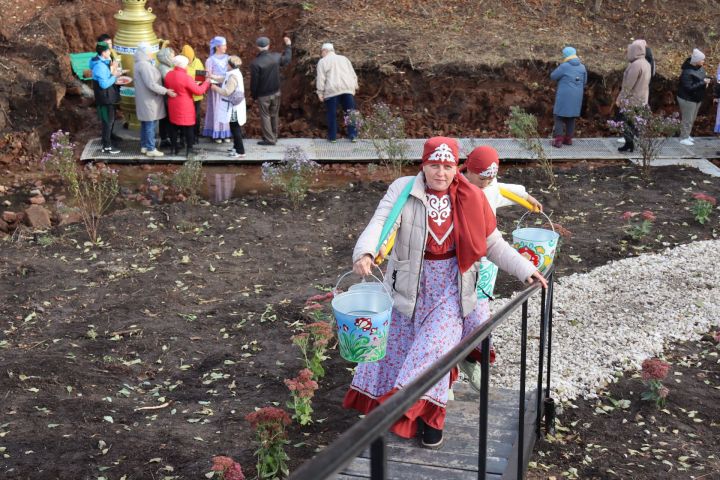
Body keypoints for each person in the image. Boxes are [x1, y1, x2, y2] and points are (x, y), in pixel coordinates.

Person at [344, 137, 546, 448]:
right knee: (398, 353)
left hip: (451, 289)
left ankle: (426, 418)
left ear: (457, 167)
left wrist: (525, 270)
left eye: (447, 166)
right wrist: (366, 252)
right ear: (423, 165)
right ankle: (402, 413)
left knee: (434, 352)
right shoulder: (403, 190)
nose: (440, 172)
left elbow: (492, 244)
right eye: (434, 165)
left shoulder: (471, 196)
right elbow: (380, 221)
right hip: (408, 287)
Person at [457, 145, 543, 390]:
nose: (486, 184)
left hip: (487, 261)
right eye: (481, 178)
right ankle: (450, 368)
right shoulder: (456, 188)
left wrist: (526, 197)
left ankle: (474, 357)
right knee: (455, 314)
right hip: (461, 263)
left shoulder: (491, 187)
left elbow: (504, 189)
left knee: (480, 311)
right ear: (469, 171)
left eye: (490, 178)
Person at [133, 43, 176, 157]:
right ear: (145, 53)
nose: (152, 53)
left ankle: (144, 146)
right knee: (150, 124)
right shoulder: (144, 65)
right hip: (149, 99)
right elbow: (151, 84)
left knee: (146, 123)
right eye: (150, 51)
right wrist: (166, 91)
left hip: (145, 98)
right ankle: (151, 148)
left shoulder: (139, 63)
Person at [164, 55, 211, 156]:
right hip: (185, 106)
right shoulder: (186, 77)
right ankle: (189, 151)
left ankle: (173, 148)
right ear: (184, 65)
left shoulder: (169, 74)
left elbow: (170, 86)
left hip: (173, 104)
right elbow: (199, 91)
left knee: (173, 126)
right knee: (189, 127)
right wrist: (207, 83)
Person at [250, 35, 292, 146]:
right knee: (274, 114)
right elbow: (287, 60)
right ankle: (274, 136)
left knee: (265, 116)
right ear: (268, 46)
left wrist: (254, 95)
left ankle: (269, 139)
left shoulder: (255, 63)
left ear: (257, 47)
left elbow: (254, 82)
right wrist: (288, 46)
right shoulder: (276, 57)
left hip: (263, 95)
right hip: (276, 92)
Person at [316, 43, 359, 143]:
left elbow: (321, 79)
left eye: (321, 52)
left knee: (332, 114)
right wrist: (355, 86)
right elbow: (352, 74)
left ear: (325, 51)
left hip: (332, 90)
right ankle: (353, 135)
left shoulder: (322, 61)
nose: (321, 54)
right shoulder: (344, 59)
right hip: (347, 89)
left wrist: (320, 93)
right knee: (350, 113)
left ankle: (332, 137)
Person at [615, 41, 652, 153]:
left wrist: (620, 98)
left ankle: (629, 143)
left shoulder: (636, 65)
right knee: (634, 123)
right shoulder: (646, 63)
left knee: (626, 122)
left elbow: (628, 85)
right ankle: (630, 144)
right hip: (642, 98)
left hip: (632, 99)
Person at [211, 55, 247, 159]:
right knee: (234, 127)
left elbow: (226, 92)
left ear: (231, 65)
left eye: (227, 64)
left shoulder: (233, 77)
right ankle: (236, 147)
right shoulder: (234, 73)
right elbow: (224, 78)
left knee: (235, 129)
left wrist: (215, 88)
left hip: (233, 108)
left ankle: (240, 151)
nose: (226, 65)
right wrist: (212, 76)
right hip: (234, 106)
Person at [550, 46, 586, 148]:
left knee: (558, 116)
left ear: (566, 55)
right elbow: (585, 81)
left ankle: (558, 141)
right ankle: (568, 139)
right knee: (571, 118)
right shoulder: (582, 67)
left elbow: (553, 76)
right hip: (577, 96)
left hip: (564, 96)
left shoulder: (564, 66)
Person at [90, 41, 121, 154]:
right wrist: (114, 76)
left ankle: (108, 141)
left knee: (108, 121)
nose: (110, 52)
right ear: (103, 52)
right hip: (105, 98)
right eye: (108, 50)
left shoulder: (99, 62)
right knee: (107, 121)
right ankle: (107, 146)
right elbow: (103, 84)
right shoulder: (100, 67)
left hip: (106, 97)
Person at [677, 48, 710, 146]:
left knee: (692, 118)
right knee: (687, 118)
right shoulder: (687, 72)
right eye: (702, 60)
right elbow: (688, 88)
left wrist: (705, 83)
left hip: (697, 98)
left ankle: (687, 135)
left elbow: (701, 78)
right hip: (687, 99)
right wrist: (702, 83)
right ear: (696, 61)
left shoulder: (700, 68)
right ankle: (683, 137)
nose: (703, 61)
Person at [203, 36, 233, 143]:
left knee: (226, 110)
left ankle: (226, 132)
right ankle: (217, 133)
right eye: (224, 45)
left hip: (226, 88)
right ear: (218, 47)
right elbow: (208, 75)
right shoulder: (210, 60)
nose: (225, 47)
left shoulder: (228, 58)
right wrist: (212, 79)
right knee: (217, 109)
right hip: (215, 89)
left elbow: (231, 73)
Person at [181, 44, 206, 145]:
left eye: (190, 59)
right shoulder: (180, 62)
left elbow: (201, 78)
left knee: (196, 116)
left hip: (196, 96)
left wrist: (196, 83)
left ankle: (195, 136)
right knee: (183, 117)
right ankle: (183, 137)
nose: (188, 61)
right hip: (184, 96)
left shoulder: (198, 62)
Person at [156, 46, 176, 149]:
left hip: (166, 96)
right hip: (165, 97)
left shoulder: (167, 66)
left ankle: (165, 137)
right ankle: (164, 138)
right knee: (166, 118)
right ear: (166, 57)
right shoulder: (163, 68)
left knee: (166, 118)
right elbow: (170, 80)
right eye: (172, 56)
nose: (174, 58)